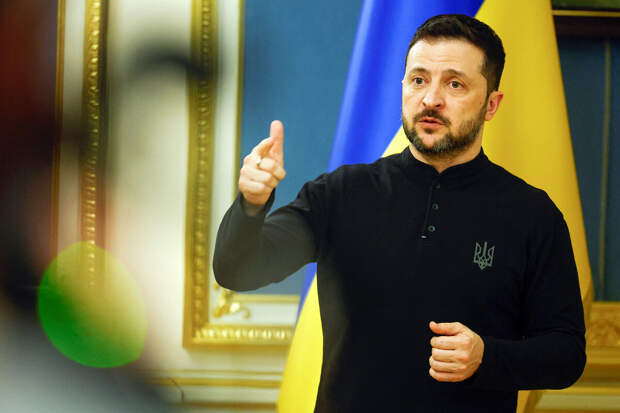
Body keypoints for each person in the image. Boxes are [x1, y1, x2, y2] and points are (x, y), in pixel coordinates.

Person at [213, 14, 586, 413]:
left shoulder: (532, 214)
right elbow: (237, 270)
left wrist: (487, 357)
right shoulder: (341, 192)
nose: (430, 99)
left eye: (454, 84)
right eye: (418, 80)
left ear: (491, 105)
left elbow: (566, 354)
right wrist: (251, 205)